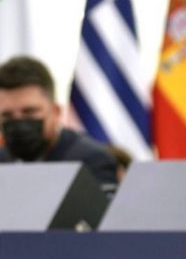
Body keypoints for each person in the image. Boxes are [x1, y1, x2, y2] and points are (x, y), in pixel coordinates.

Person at [0, 56, 117, 186]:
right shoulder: (2, 162)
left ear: (56, 111)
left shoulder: (89, 161)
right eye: (7, 115)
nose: (18, 121)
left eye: (29, 112)